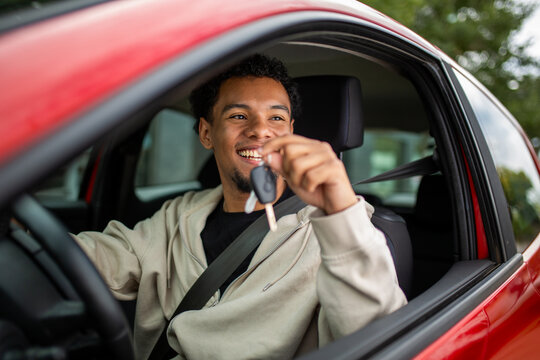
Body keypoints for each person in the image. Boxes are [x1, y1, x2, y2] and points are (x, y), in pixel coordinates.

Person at [74, 54, 407, 359]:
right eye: (238, 115)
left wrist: (340, 211)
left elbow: (381, 338)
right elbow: (101, 256)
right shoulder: (177, 216)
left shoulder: (343, 230)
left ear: (291, 131)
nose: (260, 130)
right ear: (207, 132)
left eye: (276, 117)